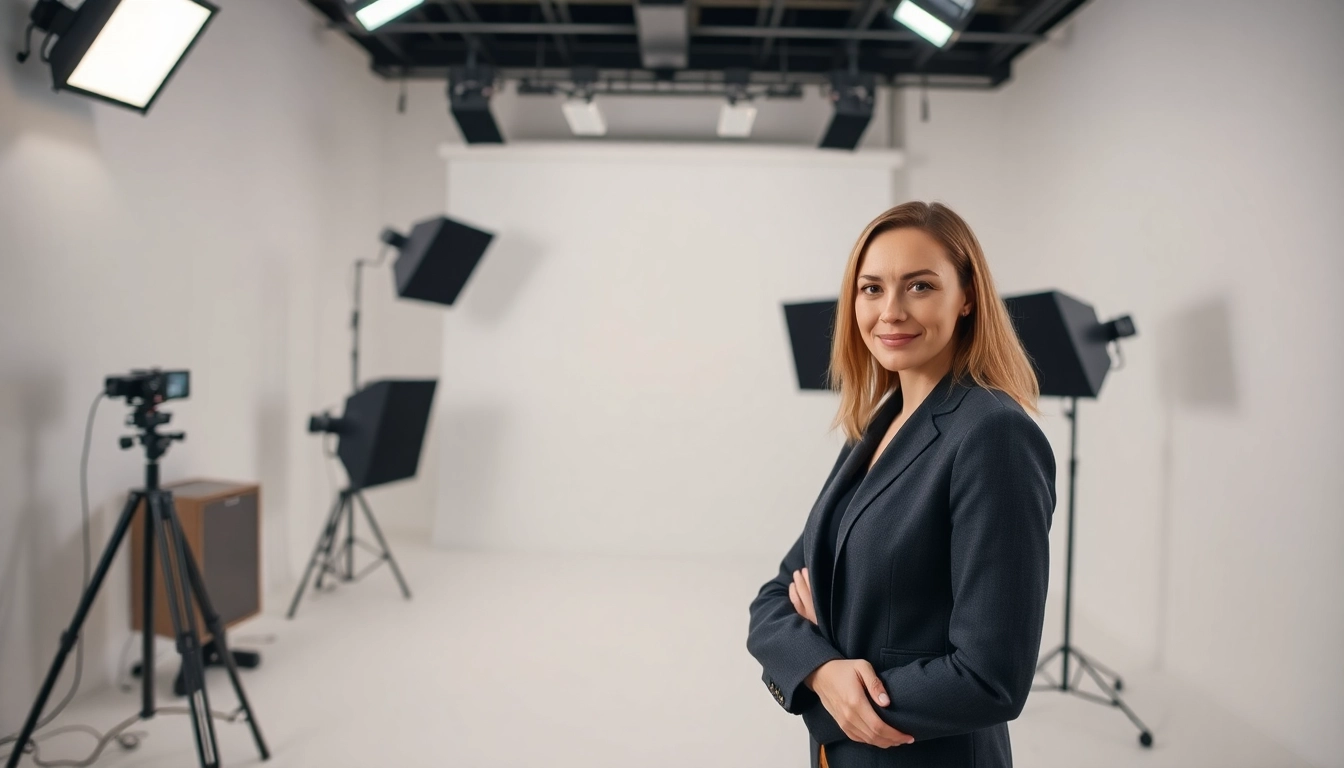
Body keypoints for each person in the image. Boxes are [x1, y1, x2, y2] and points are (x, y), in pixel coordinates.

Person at [746, 201, 1057, 768]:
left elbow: (992, 677)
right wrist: (820, 668)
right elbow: (773, 600)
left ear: (967, 298)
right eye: (871, 289)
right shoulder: (878, 424)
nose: (890, 311)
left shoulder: (994, 436)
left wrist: (836, 698)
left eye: (918, 286)